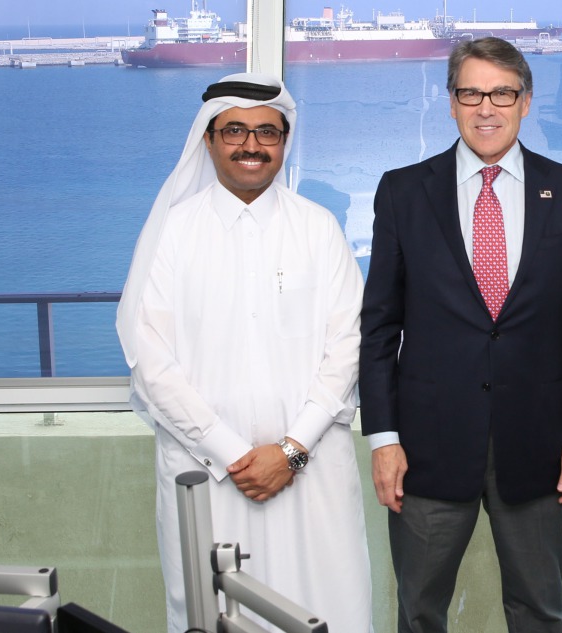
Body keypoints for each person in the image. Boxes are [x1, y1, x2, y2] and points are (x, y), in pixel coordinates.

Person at [359, 37, 562, 633]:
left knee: (540, 609)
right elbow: (380, 327)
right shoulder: (402, 191)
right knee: (418, 611)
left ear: (525, 102)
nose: (486, 107)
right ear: (451, 102)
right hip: (426, 448)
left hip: (539, 447)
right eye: (471, 93)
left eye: (502, 93)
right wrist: (383, 438)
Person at [116, 73, 372, 633]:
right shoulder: (172, 233)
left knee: (328, 611)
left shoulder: (319, 228)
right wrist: (232, 453)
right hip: (205, 474)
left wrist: (292, 449)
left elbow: (349, 344)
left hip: (310, 474)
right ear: (208, 140)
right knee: (213, 613)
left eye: (267, 133)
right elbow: (150, 358)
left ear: (284, 143)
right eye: (235, 131)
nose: (251, 146)